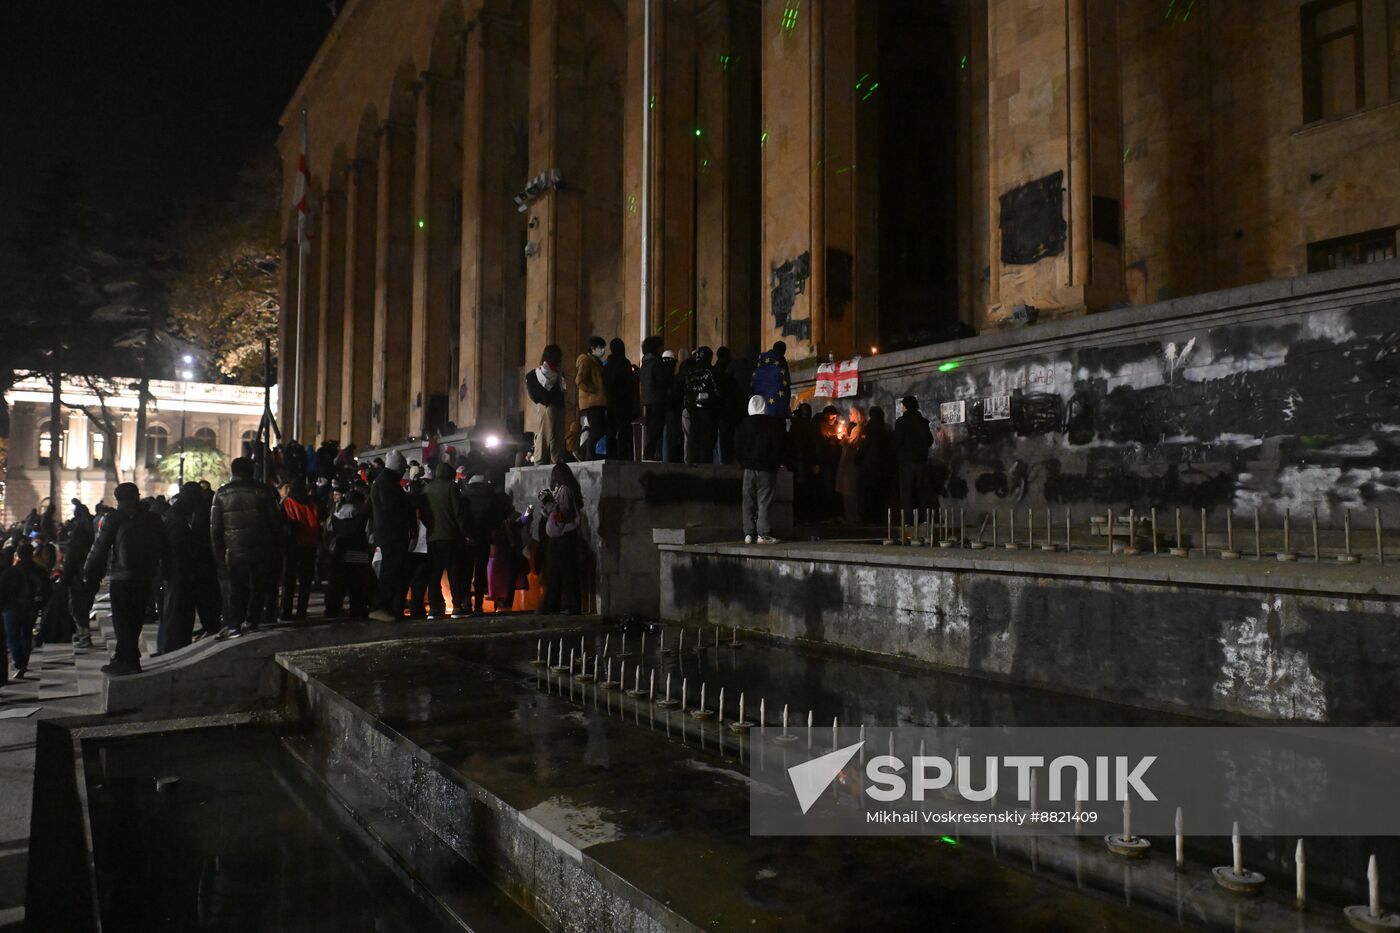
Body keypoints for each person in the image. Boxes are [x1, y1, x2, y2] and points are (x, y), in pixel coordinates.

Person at [84, 483, 167, 675]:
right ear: (137, 496)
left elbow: (100, 546)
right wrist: (166, 571)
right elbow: (165, 546)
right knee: (136, 619)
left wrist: (88, 569)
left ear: (118, 498)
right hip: (146, 575)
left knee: (122, 621)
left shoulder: (114, 518)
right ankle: (123, 657)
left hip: (121, 576)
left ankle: (129, 661)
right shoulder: (152, 518)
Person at [210, 457, 285, 639]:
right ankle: (252, 622)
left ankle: (235, 624)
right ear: (251, 470)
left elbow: (215, 528)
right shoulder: (263, 491)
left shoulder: (221, 493)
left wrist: (220, 553)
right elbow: (276, 522)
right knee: (258, 587)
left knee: (237, 588)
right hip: (261, 548)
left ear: (233, 471)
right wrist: (277, 546)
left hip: (234, 551)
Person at [369, 450, 415, 622]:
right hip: (392, 535)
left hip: (388, 534)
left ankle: (386, 608)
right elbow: (393, 509)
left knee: (392, 571)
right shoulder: (387, 484)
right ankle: (380, 607)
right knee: (390, 572)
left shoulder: (383, 482)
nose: (404, 471)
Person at [156, 484, 202, 654]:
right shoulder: (177, 519)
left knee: (175, 611)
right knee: (177, 611)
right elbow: (175, 548)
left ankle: (172, 645)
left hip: (177, 572)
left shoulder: (174, 515)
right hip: (179, 572)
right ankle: (173, 647)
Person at [735, 394, 785, 544]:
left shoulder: (743, 424)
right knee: (764, 501)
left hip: (749, 468)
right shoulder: (772, 425)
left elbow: (737, 447)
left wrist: (744, 463)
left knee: (748, 501)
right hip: (766, 469)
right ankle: (763, 534)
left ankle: (748, 533)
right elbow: (777, 447)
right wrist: (776, 464)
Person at [423, 462, 470, 617]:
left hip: (432, 537)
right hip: (450, 537)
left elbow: (424, 514)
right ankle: (457, 606)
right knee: (454, 573)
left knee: (434, 575)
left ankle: (435, 608)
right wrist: (465, 533)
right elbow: (458, 513)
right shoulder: (451, 487)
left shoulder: (427, 488)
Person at [0, 542, 49, 679]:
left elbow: (2, 590)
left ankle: (18, 660)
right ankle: (24, 663)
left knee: (12, 636)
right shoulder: (39, 570)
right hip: (30, 607)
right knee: (26, 634)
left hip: (11, 608)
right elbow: (47, 590)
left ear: (19, 555)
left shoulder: (10, 571)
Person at [539, 463, 583, 614]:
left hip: (564, 538)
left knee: (566, 573)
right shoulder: (563, 490)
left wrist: (550, 504)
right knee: (556, 573)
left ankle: (572, 606)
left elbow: (562, 514)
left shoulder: (564, 491)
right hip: (560, 538)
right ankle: (556, 604)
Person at [324, 484, 372, 617]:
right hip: (358, 555)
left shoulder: (334, 516)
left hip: (339, 555)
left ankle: (332, 609)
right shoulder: (361, 516)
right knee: (357, 585)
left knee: (336, 584)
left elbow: (328, 534)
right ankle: (357, 610)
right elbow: (368, 535)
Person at [462, 475, 506, 614]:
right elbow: (497, 518)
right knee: (480, 573)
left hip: (468, 539)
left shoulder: (464, 496)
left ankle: (466, 603)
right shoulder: (490, 497)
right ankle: (479, 606)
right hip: (484, 538)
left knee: (467, 572)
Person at [279, 478, 320, 620]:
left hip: (292, 546)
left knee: (289, 582)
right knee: (305, 582)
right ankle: (301, 611)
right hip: (309, 546)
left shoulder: (287, 504)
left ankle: (286, 611)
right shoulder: (313, 504)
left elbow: (280, 525)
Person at [526, 344, 567, 465]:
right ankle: (539, 460)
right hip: (546, 406)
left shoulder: (558, 373)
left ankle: (556, 461)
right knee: (544, 434)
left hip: (558, 405)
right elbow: (532, 393)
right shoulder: (535, 373)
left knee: (558, 435)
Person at [892, 396, 933, 517]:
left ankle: (908, 520)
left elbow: (897, 441)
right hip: (921, 460)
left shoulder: (901, 422)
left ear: (904, 406)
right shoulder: (922, 421)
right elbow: (929, 440)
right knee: (922, 490)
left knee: (906, 492)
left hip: (906, 461)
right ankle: (924, 518)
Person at [64, 500, 96, 648]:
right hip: (88, 577)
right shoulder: (89, 537)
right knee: (82, 607)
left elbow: (70, 563)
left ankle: (84, 636)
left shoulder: (76, 545)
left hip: (78, 580)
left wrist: (64, 579)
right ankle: (82, 633)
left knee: (77, 608)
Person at [682, 346, 721, 464]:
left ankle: (693, 462)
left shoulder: (691, 373)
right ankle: (705, 464)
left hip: (693, 411)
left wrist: (690, 406)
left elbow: (687, 392)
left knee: (693, 438)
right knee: (707, 440)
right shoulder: (711, 372)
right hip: (708, 411)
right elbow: (717, 391)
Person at [856, 406, 893, 523]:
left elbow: (865, 446)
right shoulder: (884, 429)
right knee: (879, 494)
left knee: (868, 494)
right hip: (881, 467)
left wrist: (857, 458)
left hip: (869, 466)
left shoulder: (871, 429)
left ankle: (869, 518)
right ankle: (879, 517)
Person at [603, 337, 638, 460]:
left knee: (611, 432)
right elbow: (629, 385)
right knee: (624, 431)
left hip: (611, 403)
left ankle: (611, 455)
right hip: (624, 404)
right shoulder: (625, 363)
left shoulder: (608, 365)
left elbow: (606, 385)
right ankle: (623, 455)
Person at [575, 336, 608, 461]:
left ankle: (583, 452)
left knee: (601, 428)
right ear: (593, 348)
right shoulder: (587, 361)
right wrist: (594, 389)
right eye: (601, 347)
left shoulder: (596, 362)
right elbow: (579, 380)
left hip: (599, 402)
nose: (603, 350)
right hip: (592, 402)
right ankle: (587, 454)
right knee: (597, 429)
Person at [638, 336, 671, 461]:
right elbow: (662, 380)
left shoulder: (645, 363)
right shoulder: (657, 362)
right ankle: (649, 453)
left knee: (652, 427)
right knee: (656, 428)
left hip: (647, 399)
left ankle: (650, 453)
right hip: (657, 398)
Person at [836, 406, 865, 524]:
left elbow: (851, 444)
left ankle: (852, 517)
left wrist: (843, 437)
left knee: (849, 491)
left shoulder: (858, 429)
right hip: (849, 463)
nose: (850, 416)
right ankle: (851, 516)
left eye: (851, 413)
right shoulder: (856, 429)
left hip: (851, 463)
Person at [751, 340, 791, 416]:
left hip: (759, 403)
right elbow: (786, 383)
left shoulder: (760, 361)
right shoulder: (781, 362)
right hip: (776, 406)